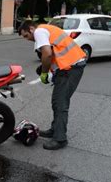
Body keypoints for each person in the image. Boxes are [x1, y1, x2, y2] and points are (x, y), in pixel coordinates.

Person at [18, 21, 87, 150]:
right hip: (69, 67)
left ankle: (60, 139)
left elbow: (48, 53)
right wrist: (45, 69)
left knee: (60, 103)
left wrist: (44, 73)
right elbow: (54, 54)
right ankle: (55, 130)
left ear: (32, 29)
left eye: (26, 35)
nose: (27, 39)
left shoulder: (39, 31)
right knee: (56, 101)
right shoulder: (46, 29)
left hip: (71, 68)